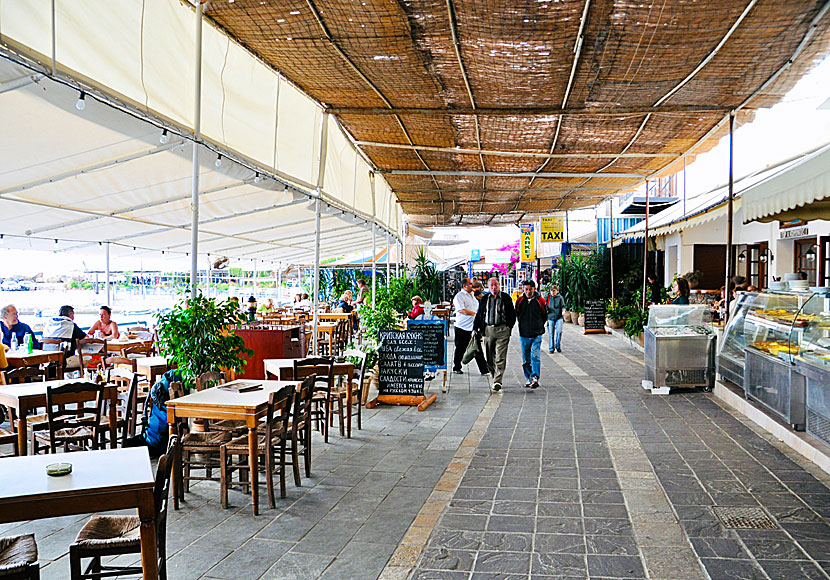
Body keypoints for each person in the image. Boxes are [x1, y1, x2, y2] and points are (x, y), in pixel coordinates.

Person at [474, 277, 516, 392]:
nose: (494, 287)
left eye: (496, 285)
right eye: (491, 285)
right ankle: (494, 375)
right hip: (488, 330)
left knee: (500, 356)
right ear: (488, 286)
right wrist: (475, 328)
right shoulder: (485, 299)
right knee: (489, 356)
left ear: (499, 285)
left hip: (502, 330)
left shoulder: (505, 298)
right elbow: (479, 314)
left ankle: (498, 380)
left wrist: (509, 327)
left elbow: (512, 314)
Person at [452, 278, 488, 376]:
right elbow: (462, 310)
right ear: (465, 286)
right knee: (460, 348)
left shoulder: (472, 295)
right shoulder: (459, 296)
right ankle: (457, 367)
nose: (473, 285)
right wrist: (476, 314)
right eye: (470, 284)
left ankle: (484, 369)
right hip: (462, 327)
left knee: (477, 348)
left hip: (473, 326)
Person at [515, 280, 547, 389]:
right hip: (524, 334)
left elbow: (544, 315)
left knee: (535, 355)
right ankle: (529, 378)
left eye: (530, 289)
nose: (528, 291)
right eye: (526, 289)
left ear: (534, 289)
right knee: (525, 359)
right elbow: (518, 315)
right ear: (523, 289)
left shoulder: (540, 301)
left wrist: (538, 325)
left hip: (536, 333)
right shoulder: (519, 301)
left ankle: (535, 377)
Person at [545, 285, 565, 353]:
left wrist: (563, 311)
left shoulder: (560, 298)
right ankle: (551, 348)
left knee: (559, 332)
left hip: (559, 317)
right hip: (550, 317)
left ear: (557, 291)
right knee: (551, 333)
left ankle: (558, 345)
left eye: (554, 291)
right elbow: (544, 306)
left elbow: (563, 306)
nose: (552, 292)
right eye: (551, 291)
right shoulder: (548, 297)